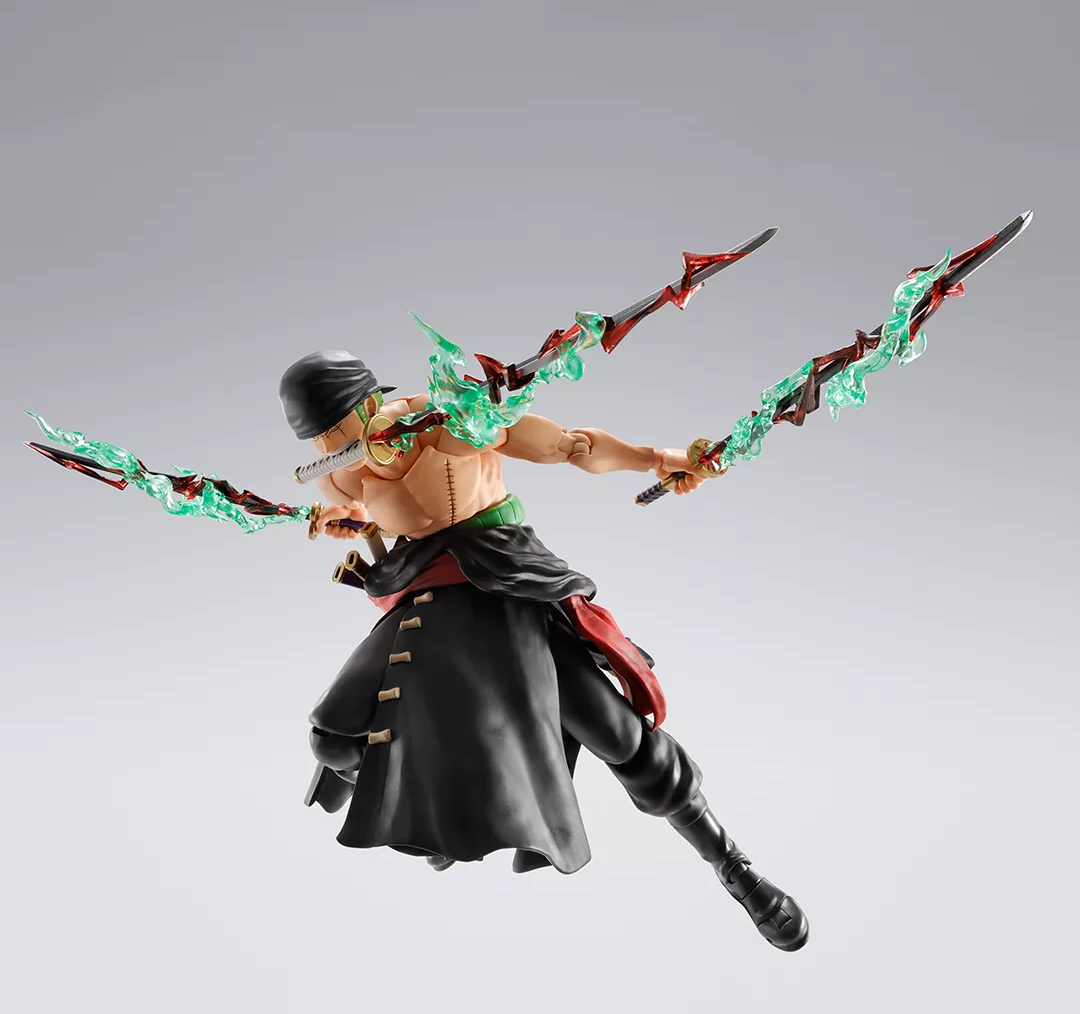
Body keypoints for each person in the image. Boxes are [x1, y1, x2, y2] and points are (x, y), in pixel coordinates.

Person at [280, 348, 808, 951]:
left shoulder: (448, 421)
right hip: (431, 601)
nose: (332, 446)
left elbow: (569, 446)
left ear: (369, 402)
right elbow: (369, 511)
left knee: (619, 735)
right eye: (320, 439)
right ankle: (430, 817)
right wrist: (347, 519)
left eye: (338, 428)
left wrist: (660, 458)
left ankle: (732, 864)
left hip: (506, 583)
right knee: (333, 738)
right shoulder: (337, 471)